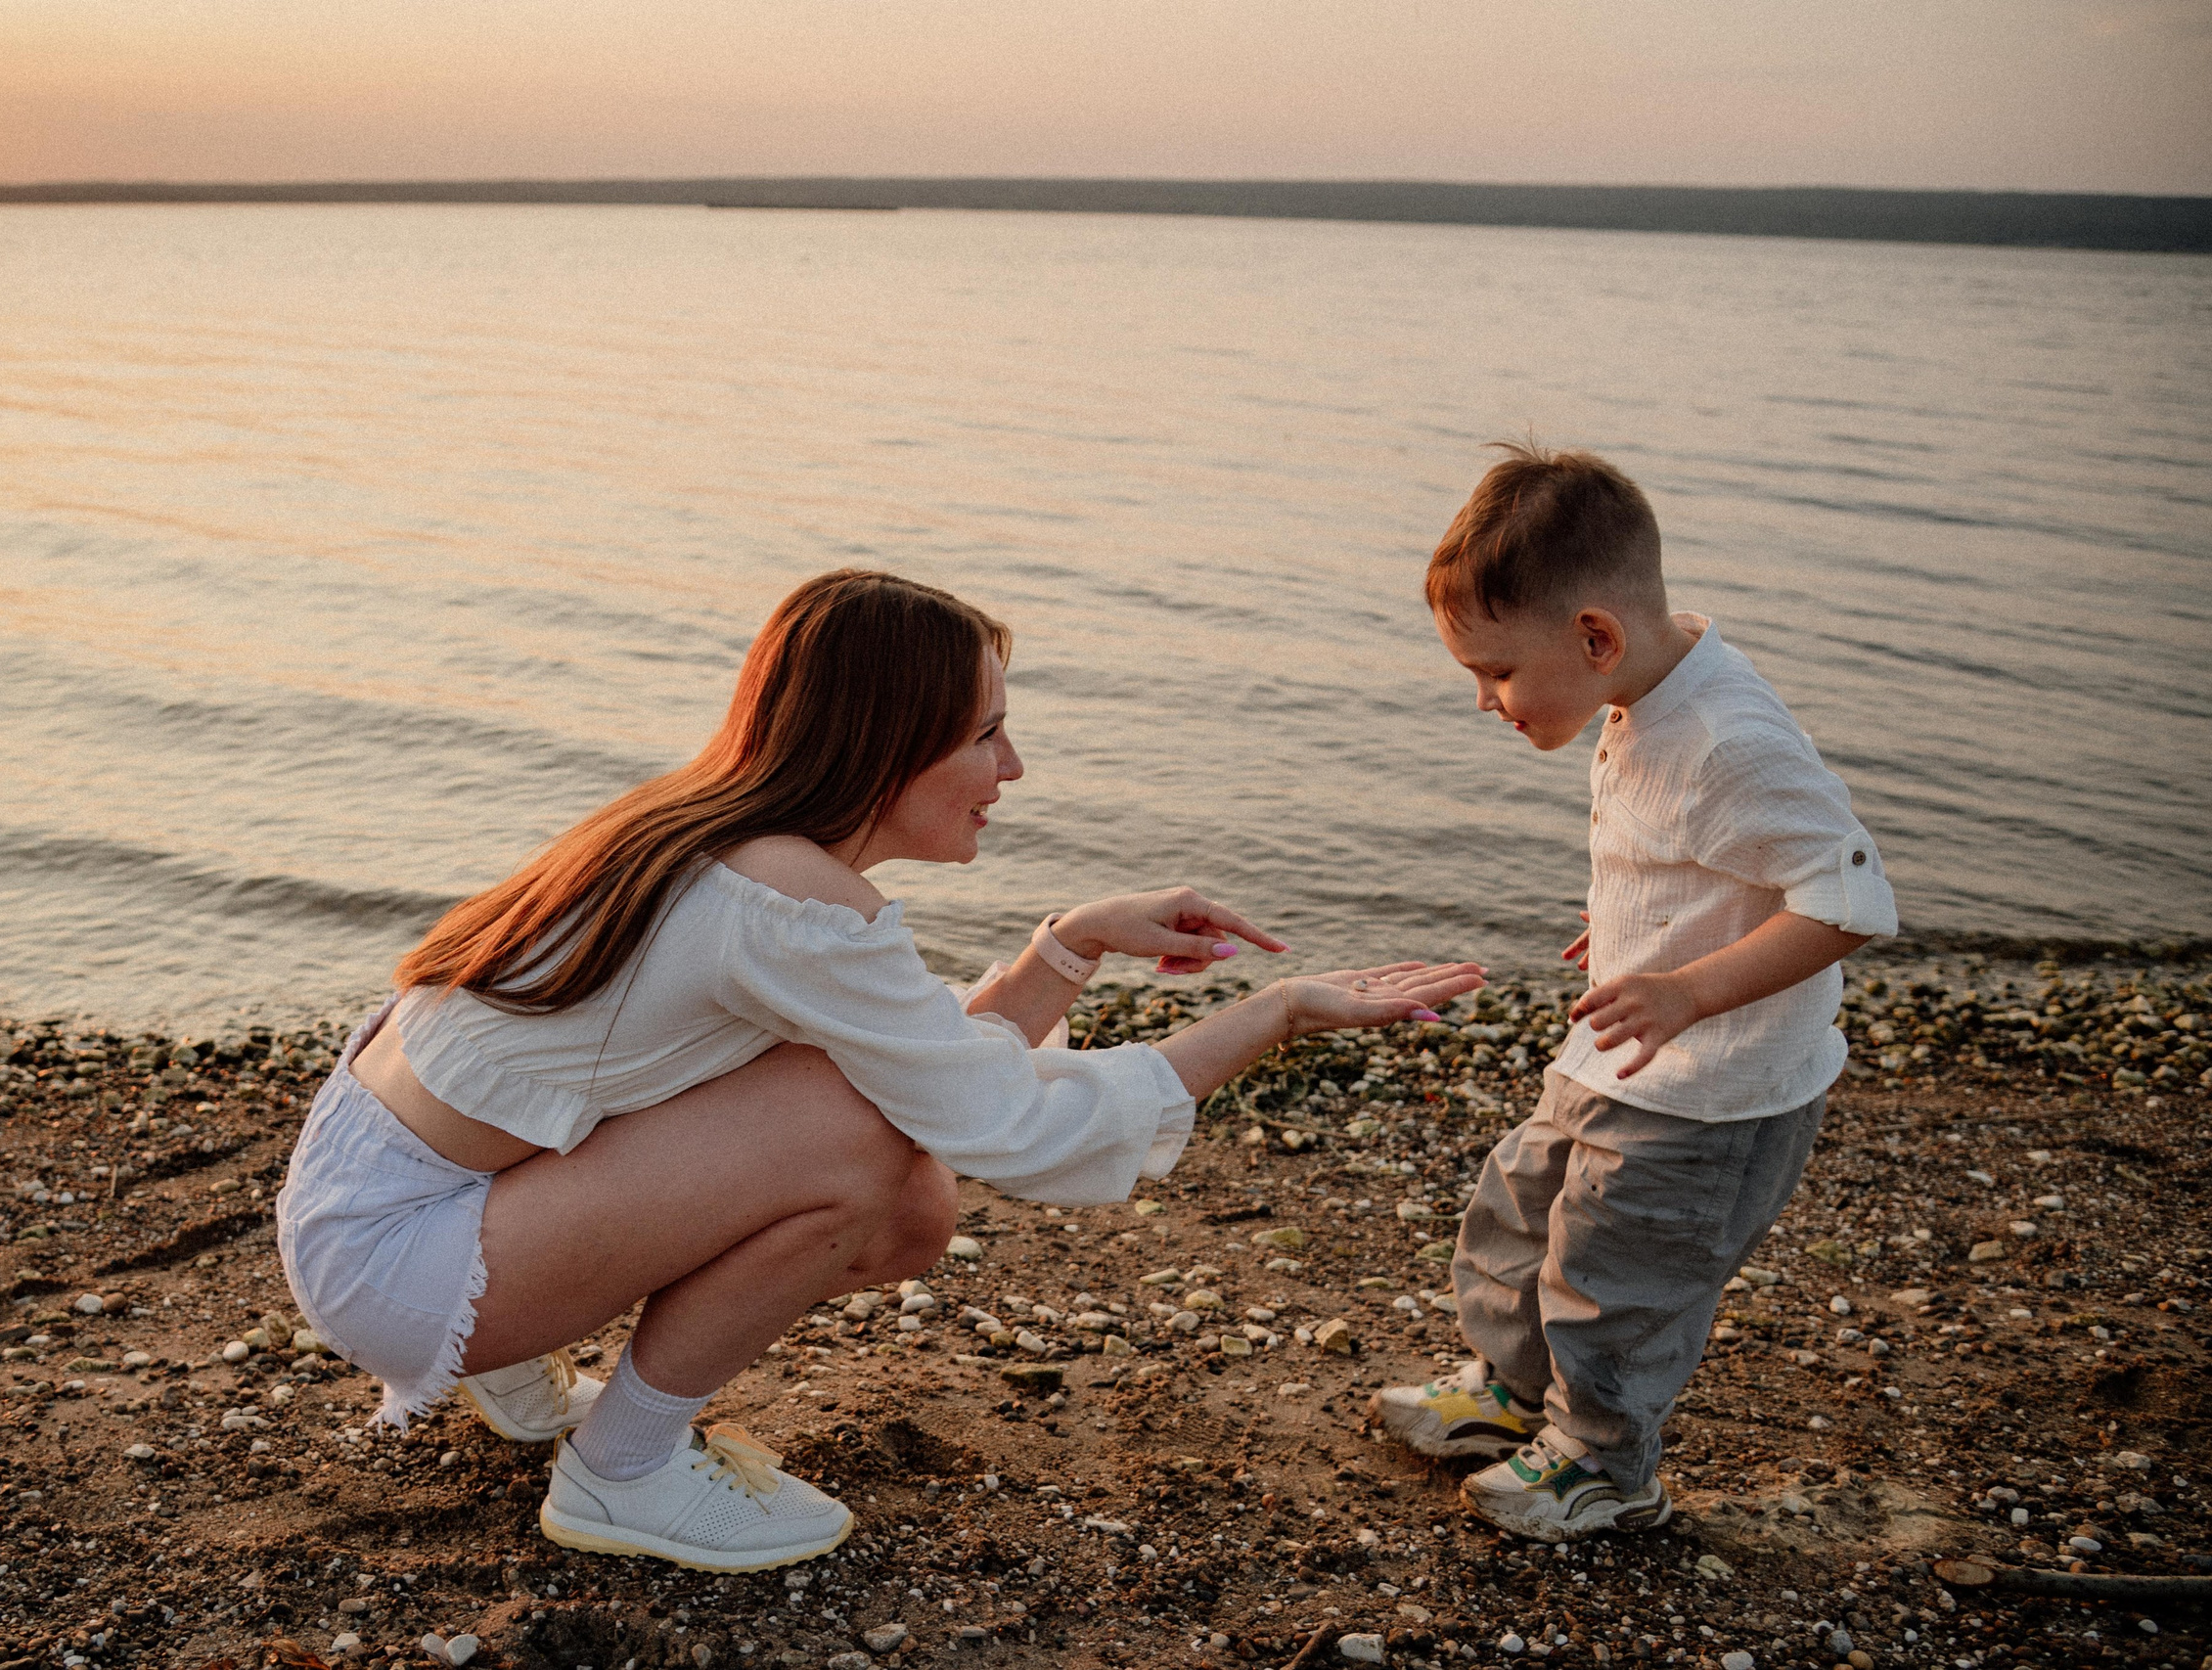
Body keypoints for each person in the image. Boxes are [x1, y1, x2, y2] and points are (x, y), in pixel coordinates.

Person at [277, 568, 1484, 1573]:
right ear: (885, 747)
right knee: (869, 1155)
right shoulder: (788, 898)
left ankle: (527, 1375)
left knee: (894, 1173)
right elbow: (1006, 1125)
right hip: (402, 1258)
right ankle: (624, 1474)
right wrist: (1267, 1017)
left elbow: (931, 1068)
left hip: (378, 1195)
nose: (1011, 770)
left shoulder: (715, 830)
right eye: (984, 735)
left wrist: (1068, 943)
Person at [1379, 443, 1899, 1541]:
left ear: (1595, 637)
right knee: (1521, 1208)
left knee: (1618, 1272)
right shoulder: (1645, 685)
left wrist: (1689, 986)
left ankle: (1605, 1463)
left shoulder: (1730, 740)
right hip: (1628, 1047)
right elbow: (1696, 856)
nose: (1484, 700)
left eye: (1496, 673)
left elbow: (1850, 899)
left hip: (1711, 1091)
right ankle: (1514, 1395)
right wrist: (1633, 929)